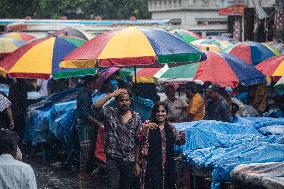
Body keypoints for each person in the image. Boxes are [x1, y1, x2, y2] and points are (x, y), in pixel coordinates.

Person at [94, 88, 142, 189]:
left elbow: (138, 141)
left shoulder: (137, 117)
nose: (124, 103)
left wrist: (137, 162)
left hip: (129, 160)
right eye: (121, 100)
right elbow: (95, 106)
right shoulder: (110, 113)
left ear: (130, 101)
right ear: (117, 102)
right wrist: (111, 95)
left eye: (126, 100)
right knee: (113, 186)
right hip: (113, 158)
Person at [137, 101, 186, 189]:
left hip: (168, 164)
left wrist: (182, 137)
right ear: (154, 113)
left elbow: (178, 142)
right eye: (158, 111)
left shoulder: (171, 127)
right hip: (151, 165)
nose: (160, 114)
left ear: (166, 113)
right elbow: (139, 139)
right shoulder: (148, 124)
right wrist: (145, 128)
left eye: (163, 111)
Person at [76, 75, 102, 178]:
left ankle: (84, 171)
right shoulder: (85, 95)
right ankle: (82, 173)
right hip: (85, 125)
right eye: (93, 83)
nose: (95, 85)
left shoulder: (86, 93)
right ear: (88, 83)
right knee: (86, 149)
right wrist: (98, 123)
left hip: (84, 125)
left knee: (87, 149)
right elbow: (85, 114)